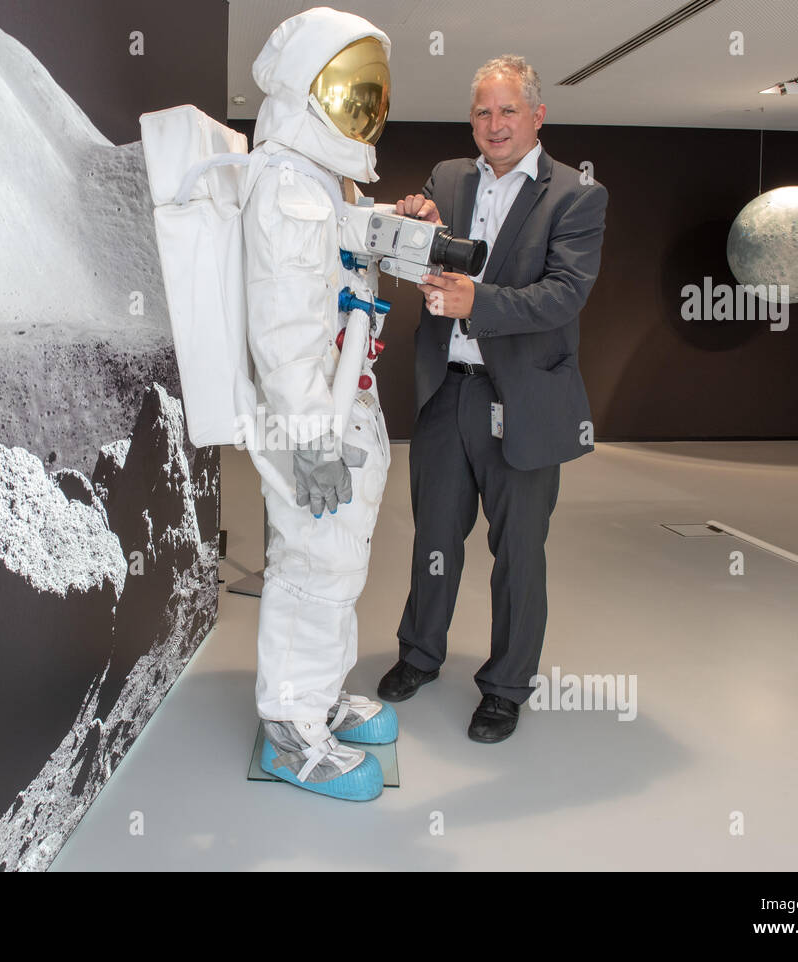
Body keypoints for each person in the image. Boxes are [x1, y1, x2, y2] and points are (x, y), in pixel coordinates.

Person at [376, 55, 608, 743]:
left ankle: (506, 687)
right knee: (435, 539)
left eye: (509, 111)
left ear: (538, 115)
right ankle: (419, 654)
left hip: (525, 399)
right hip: (447, 391)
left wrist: (480, 300)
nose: (495, 124)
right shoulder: (448, 177)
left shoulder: (577, 195)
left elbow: (564, 294)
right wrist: (414, 220)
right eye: (483, 111)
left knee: (519, 555)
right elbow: (412, 258)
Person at [243, 7, 398, 800]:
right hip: (312, 415)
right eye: (349, 90)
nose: (364, 108)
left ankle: (322, 696)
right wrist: (313, 439)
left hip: (340, 403)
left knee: (340, 561)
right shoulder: (285, 184)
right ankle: (287, 732)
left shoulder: (311, 179)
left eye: (371, 92)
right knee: (313, 562)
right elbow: (282, 330)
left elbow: (331, 274)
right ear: (309, 89)